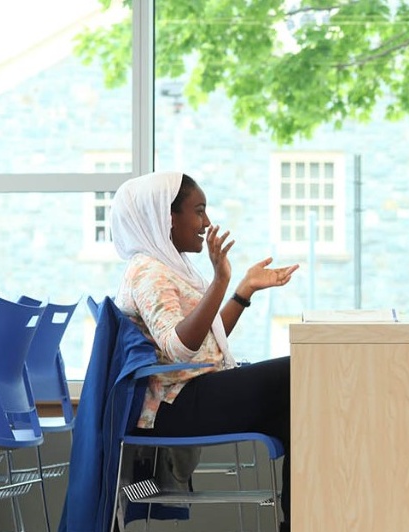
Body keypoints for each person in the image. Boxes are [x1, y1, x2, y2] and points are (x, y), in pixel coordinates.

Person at [111, 170, 298, 530]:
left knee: (300, 416)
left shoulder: (168, 268)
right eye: (199, 211)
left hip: (192, 394)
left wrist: (242, 292)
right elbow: (179, 348)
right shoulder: (148, 273)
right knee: (298, 369)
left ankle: (303, 520)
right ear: (168, 218)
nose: (207, 222)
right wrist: (221, 281)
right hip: (174, 406)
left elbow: (206, 340)